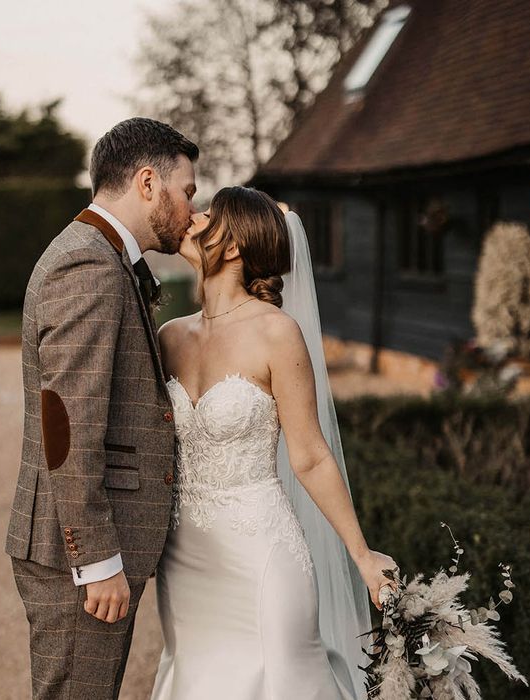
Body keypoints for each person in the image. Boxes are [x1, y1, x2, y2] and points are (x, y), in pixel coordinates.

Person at [150, 186, 398, 699]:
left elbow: (309, 456)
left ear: (235, 245)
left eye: (207, 215)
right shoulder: (169, 337)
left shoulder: (276, 333)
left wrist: (362, 554)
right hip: (182, 559)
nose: (192, 219)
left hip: (259, 554)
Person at [5, 117, 198, 699]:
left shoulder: (100, 254)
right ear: (147, 182)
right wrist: (94, 559)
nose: (192, 208)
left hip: (82, 545)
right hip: (77, 557)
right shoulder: (89, 264)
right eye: (187, 191)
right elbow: (67, 419)